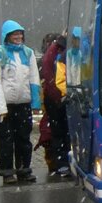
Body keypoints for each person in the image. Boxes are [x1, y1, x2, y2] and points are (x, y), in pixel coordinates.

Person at [0, 20, 42, 185]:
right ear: (7, 36)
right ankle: (7, 172)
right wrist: (1, 108)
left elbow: (34, 78)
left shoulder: (28, 53)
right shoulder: (0, 54)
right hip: (3, 106)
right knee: (5, 140)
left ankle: (24, 170)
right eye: (14, 34)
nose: (18, 37)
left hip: (23, 104)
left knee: (23, 138)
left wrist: (35, 103)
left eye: (20, 34)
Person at [39, 31, 71, 179]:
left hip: (64, 97)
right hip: (56, 99)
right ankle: (61, 164)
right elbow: (49, 75)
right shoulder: (55, 52)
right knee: (59, 132)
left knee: (63, 132)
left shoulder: (62, 49)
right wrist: (59, 98)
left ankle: (64, 162)